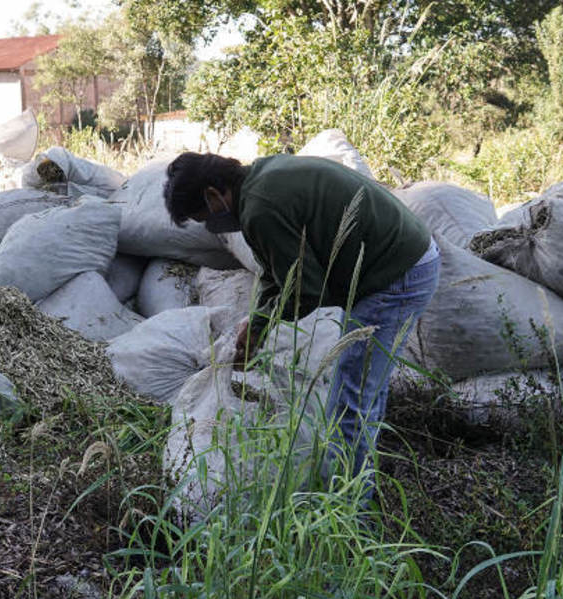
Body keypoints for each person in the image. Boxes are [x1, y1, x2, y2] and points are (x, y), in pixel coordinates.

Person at [162, 152, 440, 502]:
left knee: (349, 404)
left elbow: (305, 291)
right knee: (363, 393)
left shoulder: (259, 209)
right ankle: (356, 487)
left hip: (395, 276)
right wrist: (257, 322)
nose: (207, 226)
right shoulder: (260, 177)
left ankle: (350, 516)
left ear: (213, 195)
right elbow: (277, 273)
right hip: (407, 258)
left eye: (202, 217)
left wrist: (264, 323)